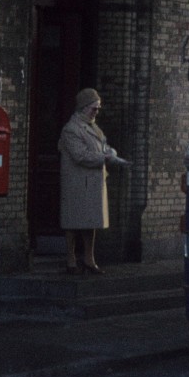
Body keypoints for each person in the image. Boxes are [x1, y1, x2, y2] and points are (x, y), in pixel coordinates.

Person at [58, 88, 128, 275]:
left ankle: (89, 259)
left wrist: (111, 153)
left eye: (98, 108)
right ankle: (71, 259)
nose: (96, 112)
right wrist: (105, 158)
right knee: (73, 221)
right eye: (93, 108)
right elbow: (80, 155)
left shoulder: (94, 128)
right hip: (77, 183)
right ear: (83, 107)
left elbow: (102, 147)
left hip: (92, 183)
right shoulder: (71, 129)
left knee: (91, 221)